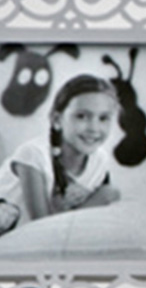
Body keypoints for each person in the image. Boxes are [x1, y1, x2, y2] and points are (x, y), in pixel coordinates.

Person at [0, 74, 121, 235]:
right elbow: (41, 229)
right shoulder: (33, 154)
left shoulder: (100, 160)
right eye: (81, 116)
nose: (94, 128)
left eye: (103, 118)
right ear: (57, 119)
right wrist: (100, 198)